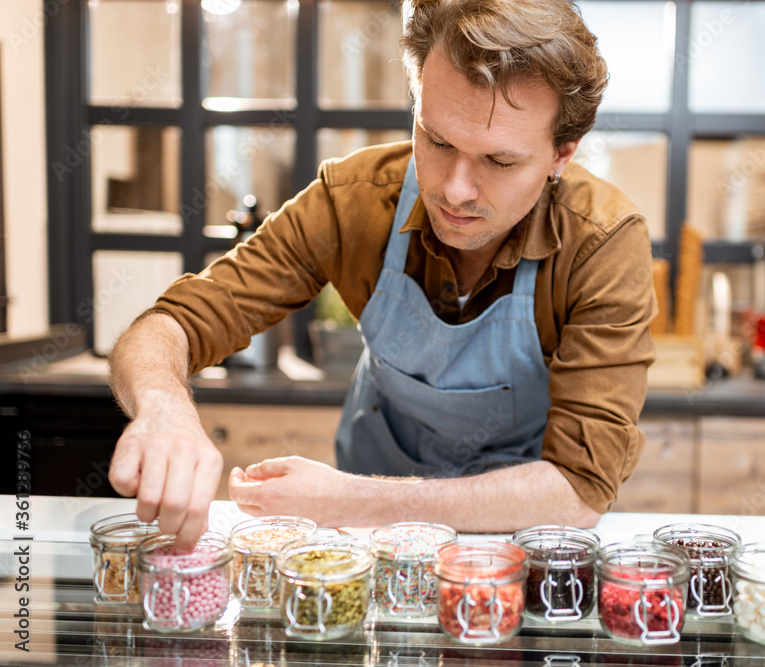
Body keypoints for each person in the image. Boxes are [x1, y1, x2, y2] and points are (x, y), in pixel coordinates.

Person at [107, 0, 656, 549]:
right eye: (437, 140)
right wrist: (164, 408)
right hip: (372, 545)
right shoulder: (353, 202)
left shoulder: (601, 242)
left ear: (562, 154)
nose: (455, 189)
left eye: (500, 162)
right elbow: (169, 325)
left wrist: (350, 499)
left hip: (520, 543)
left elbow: (577, 493)